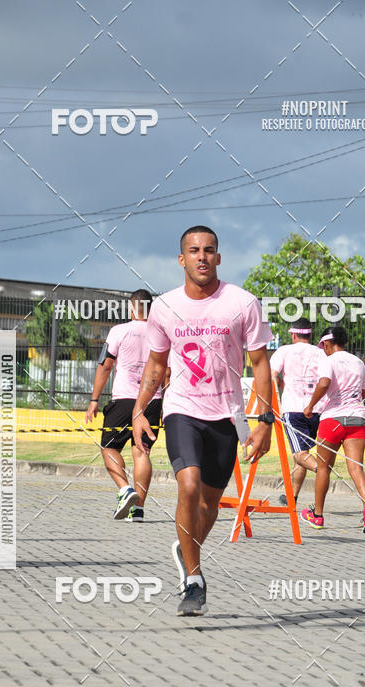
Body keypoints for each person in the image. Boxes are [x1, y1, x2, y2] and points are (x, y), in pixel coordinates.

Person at [132, 226, 274, 616]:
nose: (202, 257)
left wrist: (265, 422)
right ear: (182, 259)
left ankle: (187, 548)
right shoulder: (165, 306)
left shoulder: (243, 303)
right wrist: (140, 409)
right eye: (194, 251)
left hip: (227, 415)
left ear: (219, 257)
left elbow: (261, 364)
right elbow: (156, 365)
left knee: (210, 503)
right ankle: (193, 580)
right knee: (189, 484)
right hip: (182, 409)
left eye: (209, 250)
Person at [85, 289, 163, 522]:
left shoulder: (119, 331)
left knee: (109, 448)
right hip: (151, 400)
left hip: (124, 400)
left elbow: (105, 366)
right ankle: (138, 509)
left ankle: (124, 489)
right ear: (150, 309)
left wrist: (94, 399)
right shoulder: (160, 334)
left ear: (131, 309)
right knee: (142, 451)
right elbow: (167, 371)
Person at [300, 325, 365, 533]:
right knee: (356, 468)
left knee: (323, 467)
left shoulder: (329, 361)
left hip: (332, 420)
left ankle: (317, 516)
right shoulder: (358, 362)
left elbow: (324, 383)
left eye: (323, 345)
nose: (323, 349)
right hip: (358, 419)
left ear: (327, 342)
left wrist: (310, 406)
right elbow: (364, 392)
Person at [270, 317, 326, 506]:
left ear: (293, 335)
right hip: (317, 409)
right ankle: (292, 496)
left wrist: (277, 393)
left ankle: (322, 471)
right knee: (303, 452)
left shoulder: (284, 351)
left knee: (299, 454)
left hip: (293, 409)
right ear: (310, 335)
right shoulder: (321, 353)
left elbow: (272, 375)